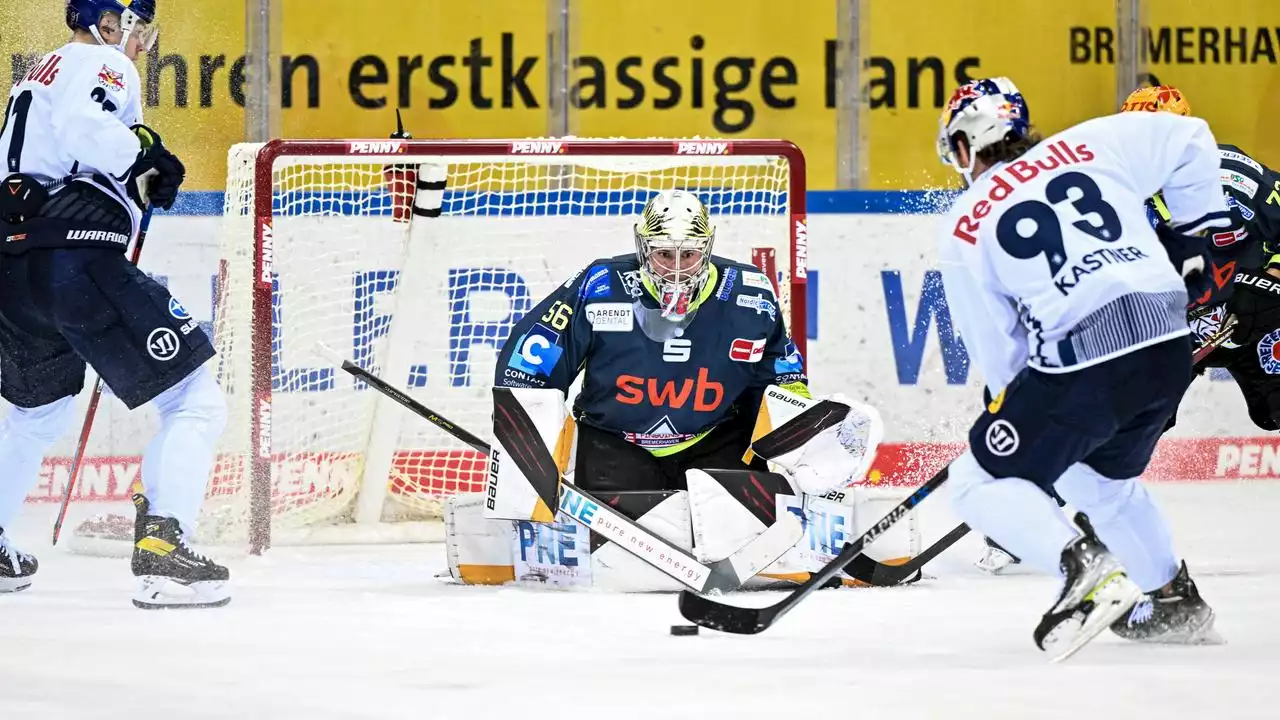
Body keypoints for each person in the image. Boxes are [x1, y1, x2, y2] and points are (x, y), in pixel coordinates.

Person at [936, 77, 1224, 659]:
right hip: (1169, 347)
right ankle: (1173, 602)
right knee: (1096, 481)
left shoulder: (965, 220)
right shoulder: (1093, 142)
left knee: (975, 482)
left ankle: (1084, 569)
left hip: (1087, 362)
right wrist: (1201, 234)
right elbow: (1191, 136)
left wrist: (1010, 415)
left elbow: (1001, 350)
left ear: (968, 143)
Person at [0, 0, 228, 609]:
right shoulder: (103, 65)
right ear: (113, 17)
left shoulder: (40, 72)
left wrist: (136, 159)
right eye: (138, 23)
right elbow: (85, 130)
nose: (144, 40)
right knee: (196, 397)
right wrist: (145, 161)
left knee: (36, 417)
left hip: (16, 271)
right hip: (76, 260)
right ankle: (166, 551)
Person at [494, 189, 810, 492]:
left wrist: (805, 441)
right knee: (611, 548)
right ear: (644, 248)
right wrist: (526, 435)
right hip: (615, 443)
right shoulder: (602, 284)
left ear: (706, 248)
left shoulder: (750, 294)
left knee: (750, 538)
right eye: (663, 254)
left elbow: (780, 380)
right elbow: (531, 358)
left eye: (687, 254)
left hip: (716, 439)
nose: (675, 269)